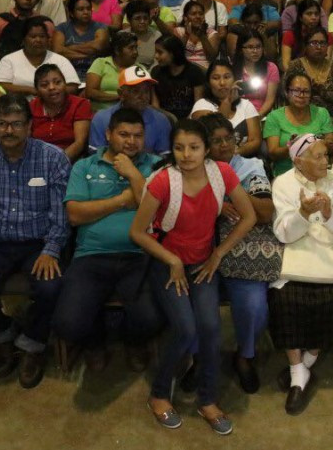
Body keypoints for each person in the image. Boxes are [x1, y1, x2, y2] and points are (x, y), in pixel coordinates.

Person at [126, 117, 253, 434]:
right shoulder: (162, 182)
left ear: (206, 149)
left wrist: (219, 252)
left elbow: (248, 215)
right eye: (179, 148)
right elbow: (138, 233)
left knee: (211, 328)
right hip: (167, 264)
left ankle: (208, 400)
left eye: (194, 147)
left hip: (202, 264)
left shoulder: (221, 173)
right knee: (185, 329)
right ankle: (158, 394)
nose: (186, 155)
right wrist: (171, 259)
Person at [0, 94, 72, 389]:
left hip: (39, 242)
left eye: (16, 124)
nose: (9, 131)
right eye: (3, 124)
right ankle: (5, 337)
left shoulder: (53, 158)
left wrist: (52, 249)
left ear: (30, 126)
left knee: (52, 286)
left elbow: (62, 213)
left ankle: (33, 344)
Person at [53, 107, 162, 372]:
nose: (131, 141)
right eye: (124, 134)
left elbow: (155, 214)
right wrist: (123, 200)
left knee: (154, 318)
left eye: (137, 135)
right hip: (91, 256)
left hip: (140, 255)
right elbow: (75, 215)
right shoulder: (84, 166)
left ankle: (133, 341)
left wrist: (134, 175)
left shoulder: (154, 165)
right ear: (108, 134)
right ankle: (95, 342)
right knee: (68, 324)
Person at [270, 134, 333, 415]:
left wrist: (330, 213)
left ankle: (303, 366)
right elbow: (283, 232)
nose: (325, 161)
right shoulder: (283, 184)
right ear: (298, 161)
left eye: (326, 155)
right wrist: (303, 214)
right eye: (317, 156)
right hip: (296, 256)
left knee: (330, 300)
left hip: (331, 259)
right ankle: (298, 373)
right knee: (285, 299)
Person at [199, 114, 278, 394]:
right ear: (204, 147)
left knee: (255, 307)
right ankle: (200, 358)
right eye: (216, 141)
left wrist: (231, 196)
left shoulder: (250, 167)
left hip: (243, 253)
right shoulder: (193, 167)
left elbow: (266, 212)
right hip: (201, 252)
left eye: (228, 139)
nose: (224, 146)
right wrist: (216, 204)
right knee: (196, 307)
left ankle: (244, 356)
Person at [264, 73, 333, 176]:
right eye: (296, 91)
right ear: (287, 92)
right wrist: (296, 146)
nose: (301, 95)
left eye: (306, 91)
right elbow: (273, 153)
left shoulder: (321, 113)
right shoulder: (274, 117)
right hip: (286, 173)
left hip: (318, 172)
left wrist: (326, 143)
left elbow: (331, 145)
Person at [89, 65, 170, 154]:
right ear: (121, 94)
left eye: (146, 91)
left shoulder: (161, 120)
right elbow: (96, 158)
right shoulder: (101, 119)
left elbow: (163, 159)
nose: (143, 96)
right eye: (136, 91)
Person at [189, 59, 262, 157]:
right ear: (208, 83)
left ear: (234, 79)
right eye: (216, 78)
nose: (222, 83)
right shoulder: (201, 105)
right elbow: (214, 131)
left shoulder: (246, 105)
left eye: (227, 77)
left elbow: (255, 141)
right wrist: (228, 100)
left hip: (242, 160)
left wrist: (234, 154)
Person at [0, 18, 80, 97]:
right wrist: (32, 90)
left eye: (42, 36)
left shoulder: (60, 60)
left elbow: (72, 87)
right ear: (23, 40)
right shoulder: (8, 60)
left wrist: (49, 95)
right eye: (33, 36)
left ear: (48, 39)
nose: (38, 40)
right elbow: (0, 86)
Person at [29, 64, 91, 161]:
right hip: (37, 160)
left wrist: (57, 163)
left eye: (57, 82)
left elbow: (79, 143)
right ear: (37, 90)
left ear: (65, 84)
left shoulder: (79, 104)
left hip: (71, 161)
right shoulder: (32, 106)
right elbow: (25, 141)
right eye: (44, 85)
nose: (52, 87)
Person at [287, 27, 333, 120]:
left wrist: (322, 92)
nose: (319, 47)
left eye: (322, 43)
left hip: (330, 119)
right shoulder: (296, 65)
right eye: (314, 43)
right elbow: (285, 91)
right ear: (306, 46)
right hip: (299, 117)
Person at [52, 0, 108, 80]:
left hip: (94, 74)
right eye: (81, 9)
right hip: (67, 74)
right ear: (71, 13)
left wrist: (68, 48)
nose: (86, 12)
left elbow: (98, 46)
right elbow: (58, 51)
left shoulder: (100, 27)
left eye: (88, 9)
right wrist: (89, 54)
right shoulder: (62, 28)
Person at [151, 34, 205, 122]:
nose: (156, 56)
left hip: (189, 121)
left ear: (172, 53)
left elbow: (198, 104)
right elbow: (155, 104)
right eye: (156, 52)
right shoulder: (156, 72)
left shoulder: (194, 72)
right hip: (164, 120)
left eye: (160, 52)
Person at [85, 30, 141, 112]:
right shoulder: (101, 63)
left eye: (136, 47)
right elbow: (90, 92)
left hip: (130, 115)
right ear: (117, 50)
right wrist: (120, 97)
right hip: (101, 112)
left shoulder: (139, 69)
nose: (135, 52)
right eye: (131, 48)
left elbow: (141, 96)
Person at [232, 29, 279, 116]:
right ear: (241, 49)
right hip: (237, 114)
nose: (255, 51)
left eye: (258, 47)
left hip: (261, 115)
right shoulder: (233, 69)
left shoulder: (271, 68)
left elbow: (270, 100)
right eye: (250, 47)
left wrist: (256, 118)